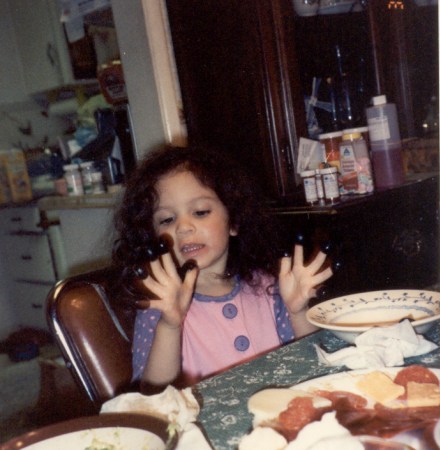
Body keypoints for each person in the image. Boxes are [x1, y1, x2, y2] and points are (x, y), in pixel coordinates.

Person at [112, 145, 333, 388]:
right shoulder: (159, 306)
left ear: (234, 220)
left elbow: (317, 368)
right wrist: (170, 325)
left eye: (200, 212)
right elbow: (152, 397)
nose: (183, 227)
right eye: (167, 219)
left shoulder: (270, 289)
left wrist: (298, 313)